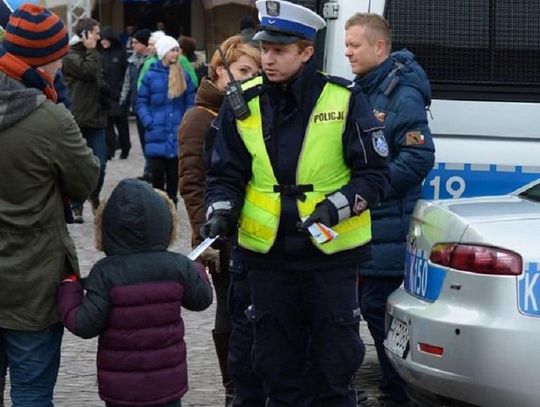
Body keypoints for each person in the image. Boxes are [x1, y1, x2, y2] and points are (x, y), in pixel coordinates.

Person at [202, 1, 391, 405]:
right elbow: (224, 175)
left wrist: (336, 207)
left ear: (306, 52)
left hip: (329, 258)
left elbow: (375, 176)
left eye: (279, 51)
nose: (267, 58)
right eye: (265, 48)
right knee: (274, 369)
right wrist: (220, 210)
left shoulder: (342, 100)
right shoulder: (243, 104)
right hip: (267, 261)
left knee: (333, 371)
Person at [0, 4, 100, 405]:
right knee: (32, 391)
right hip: (33, 281)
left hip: (29, 280)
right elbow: (87, 178)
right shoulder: (50, 119)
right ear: (44, 62)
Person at [345, 13, 436, 405]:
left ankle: (400, 393)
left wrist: (371, 188)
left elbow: (418, 158)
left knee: (382, 311)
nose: (347, 52)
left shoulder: (402, 93)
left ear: (379, 47)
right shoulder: (365, 88)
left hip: (389, 226)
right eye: (346, 44)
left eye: (354, 45)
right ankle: (393, 389)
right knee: (373, 309)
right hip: (369, 227)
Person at [57, 178, 213, 407]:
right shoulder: (178, 266)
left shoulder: (105, 272)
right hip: (167, 384)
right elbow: (202, 300)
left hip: (122, 389)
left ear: (106, 227)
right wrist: (198, 269)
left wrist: (69, 288)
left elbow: (84, 323)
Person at [178, 34, 263, 407]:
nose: (248, 78)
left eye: (254, 71)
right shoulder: (200, 117)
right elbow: (192, 183)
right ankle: (233, 384)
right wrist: (204, 237)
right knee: (229, 310)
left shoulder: (246, 109)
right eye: (242, 70)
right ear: (220, 71)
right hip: (220, 232)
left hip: (250, 227)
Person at [136, 35, 195, 204]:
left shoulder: (183, 75)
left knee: (173, 179)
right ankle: (159, 210)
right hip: (156, 133)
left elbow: (191, 102)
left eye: (177, 49)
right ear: (163, 53)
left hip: (176, 133)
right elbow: (141, 102)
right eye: (173, 50)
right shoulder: (150, 75)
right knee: (157, 178)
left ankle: (172, 210)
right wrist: (149, 121)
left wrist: (185, 123)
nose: (176, 53)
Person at [63, 17, 108, 223]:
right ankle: (77, 203)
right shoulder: (70, 56)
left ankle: (94, 193)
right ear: (85, 35)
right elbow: (88, 71)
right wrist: (91, 50)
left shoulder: (94, 56)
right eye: (95, 34)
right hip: (79, 118)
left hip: (97, 117)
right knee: (77, 164)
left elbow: (98, 79)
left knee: (101, 162)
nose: (98, 38)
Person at [120, 28, 152, 180]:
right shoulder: (132, 61)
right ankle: (149, 169)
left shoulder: (152, 62)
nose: (132, 45)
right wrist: (123, 100)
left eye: (136, 42)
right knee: (143, 141)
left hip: (150, 107)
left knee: (151, 140)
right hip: (137, 106)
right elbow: (127, 82)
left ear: (145, 44)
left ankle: (151, 170)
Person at [99, 26, 130, 160]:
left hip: (118, 96)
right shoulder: (99, 53)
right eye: (102, 40)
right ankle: (110, 150)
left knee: (122, 125)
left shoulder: (120, 52)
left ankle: (125, 148)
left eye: (106, 40)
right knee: (108, 126)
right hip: (105, 96)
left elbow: (125, 73)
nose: (103, 42)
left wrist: (120, 88)